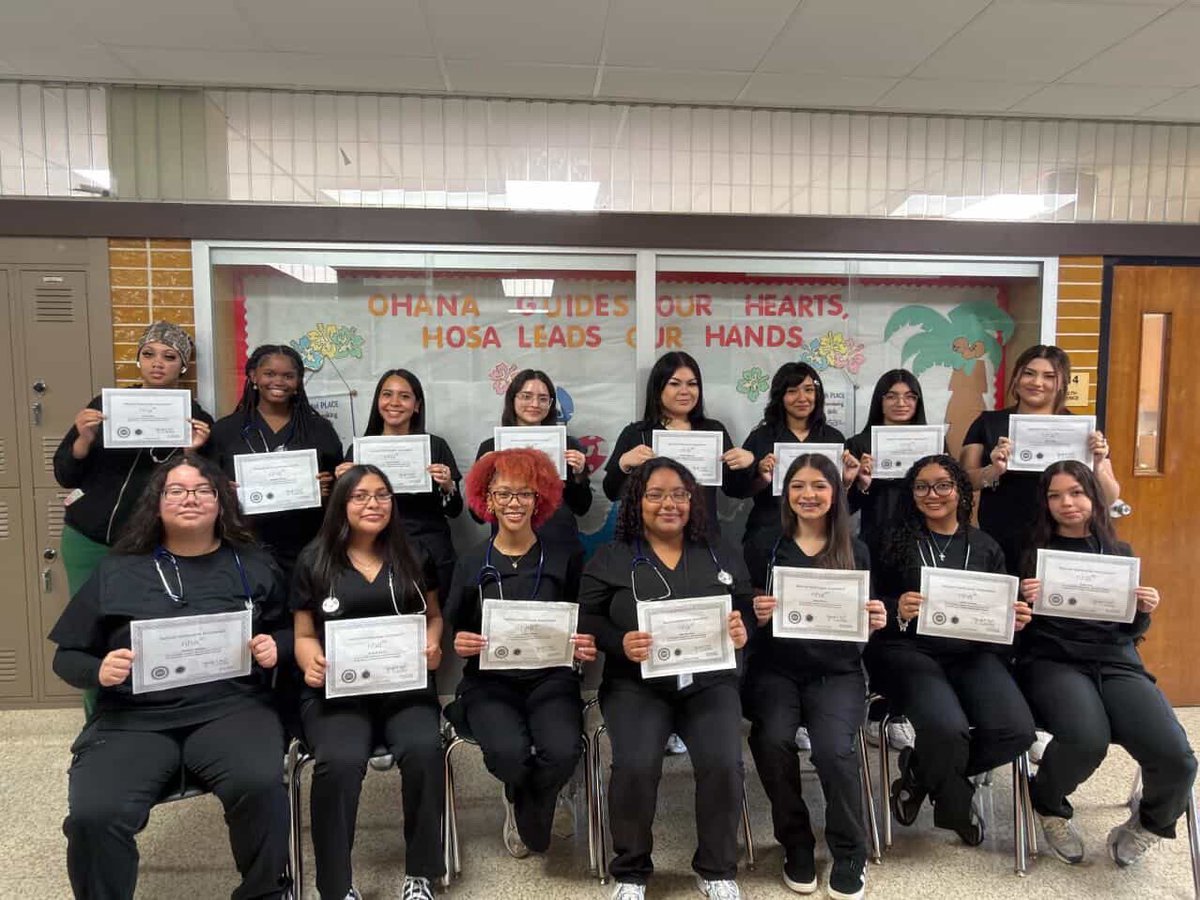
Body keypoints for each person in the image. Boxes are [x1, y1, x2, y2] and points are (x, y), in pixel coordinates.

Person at [47, 452, 291, 900]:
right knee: (94, 815)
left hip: (231, 710)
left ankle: (264, 893)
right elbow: (67, 657)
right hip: (132, 719)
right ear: (156, 503)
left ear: (221, 503)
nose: (190, 499)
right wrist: (99, 669)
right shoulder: (118, 570)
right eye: (175, 490)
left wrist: (278, 646)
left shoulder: (253, 564)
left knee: (260, 786)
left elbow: (291, 630)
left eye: (203, 490)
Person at [580, 457, 753, 900]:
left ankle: (715, 868)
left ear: (693, 501)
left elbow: (746, 604)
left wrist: (741, 627)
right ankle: (632, 871)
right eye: (655, 494)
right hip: (635, 685)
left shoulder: (719, 550)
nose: (669, 504)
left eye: (679, 494)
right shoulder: (612, 557)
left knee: (723, 763)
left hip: (709, 683)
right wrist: (620, 643)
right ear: (637, 503)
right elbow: (588, 619)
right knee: (635, 766)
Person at [1017, 461, 1197, 868]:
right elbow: (1014, 625)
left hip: (1115, 661)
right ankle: (1048, 806)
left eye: (1077, 492)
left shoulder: (1119, 553)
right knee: (1085, 740)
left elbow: (1129, 627)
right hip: (1053, 661)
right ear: (1045, 503)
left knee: (1177, 757)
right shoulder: (1028, 552)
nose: (1067, 503)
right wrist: (1024, 603)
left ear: (1094, 497)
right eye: (1056, 495)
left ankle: (1149, 824)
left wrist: (1143, 609)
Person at [291, 464, 445, 900]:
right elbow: (303, 634)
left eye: (381, 495)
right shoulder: (314, 560)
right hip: (339, 695)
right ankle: (337, 886)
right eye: (359, 496)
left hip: (405, 689)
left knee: (423, 751)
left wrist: (433, 646)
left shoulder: (415, 555)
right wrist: (310, 661)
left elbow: (433, 617)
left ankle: (420, 874)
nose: (372, 504)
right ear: (341, 504)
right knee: (338, 762)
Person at [865, 455, 1035, 845]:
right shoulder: (890, 540)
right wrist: (895, 608)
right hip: (906, 650)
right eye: (922, 486)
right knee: (946, 728)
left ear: (960, 490)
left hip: (971, 652)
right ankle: (957, 805)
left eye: (943, 484)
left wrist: (1012, 622)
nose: (933, 494)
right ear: (912, 494)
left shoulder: (986, 545)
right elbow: (866, 602)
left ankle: (919, 773)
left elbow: (998, 613)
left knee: (1016, 731)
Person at [743, 454, 886, 900]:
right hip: (775, 670)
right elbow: (738, 615)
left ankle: (849, 850)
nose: (809, 495)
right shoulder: (763, 545)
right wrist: (755, 612)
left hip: (836, 671)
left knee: (834, 751)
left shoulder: (854, 549)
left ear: (836, 493)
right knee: (771, 741)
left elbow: (864, 616)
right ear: (785, 494)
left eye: (820, 486)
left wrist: (875, 617)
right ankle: (797, 843)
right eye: (798, 486)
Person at [444, 448, 596, 858]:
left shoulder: (565, 557)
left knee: (564, 749)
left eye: (524, 494)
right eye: (504, 494)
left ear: (540, 499)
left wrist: (583, 642)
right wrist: (461, 641)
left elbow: (581, 618)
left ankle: (531, 805)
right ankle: (520, 796)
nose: (514, 503)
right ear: (487, 500)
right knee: (509, 754)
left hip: (551, 678)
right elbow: (455, 626)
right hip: (489, 683)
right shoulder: (472, 561)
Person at [55, 321, 213, 598]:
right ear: (138, 359)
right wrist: (83, 440)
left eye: (169, 357)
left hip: (152, 544)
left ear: (183, 365)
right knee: (84, 627)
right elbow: (65, 476)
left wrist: (191, 453)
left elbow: (207, 491)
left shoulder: (197, 420)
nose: (157, 364)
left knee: (137, 624)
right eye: (148, 354)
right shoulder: (105, 407)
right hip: (88, 537)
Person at [960, 345, 1119, 574]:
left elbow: (1110, 496)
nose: (1037, 382)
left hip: (1063, 539)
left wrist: (1098, 464)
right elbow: (964, 480)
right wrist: (992, 470)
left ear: (1063, 383)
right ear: (1016, 377)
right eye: (1029, 373)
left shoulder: (1082, 430)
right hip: (1002, 536)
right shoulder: (988, 423)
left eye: (1049, 376)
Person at [209, 344, 343, 582]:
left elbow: (342, 487)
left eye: (288, 376)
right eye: (269, 374)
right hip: (244, 546)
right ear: (253, 376)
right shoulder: (225, 430)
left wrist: (328, 488)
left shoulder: (319, 430)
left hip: (306, 548)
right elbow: (208, 486)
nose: (278, 382)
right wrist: (223, 492)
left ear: (298, 381)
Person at [335, 368, 462, 602]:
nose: (394, 402)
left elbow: (455, 510)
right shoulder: (359, 451)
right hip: (373, 549)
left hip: (430, 548)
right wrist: (340, 485)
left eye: (404, 396)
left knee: (435, 619)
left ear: (417, 406)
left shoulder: (435, 446)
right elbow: (341, 512)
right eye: (387, 395)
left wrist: (448, 486)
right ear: (378, 402)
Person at [603, 352, 755, 539]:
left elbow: (734, 489)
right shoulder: (636, 433)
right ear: (658, 389)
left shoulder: (713, 430)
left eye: (692, 384)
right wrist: (623, 464)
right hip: (648, 540)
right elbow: (611, 492)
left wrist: (747, 465)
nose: (685, 391)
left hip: (702, 539)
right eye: (674, 384)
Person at [735, 362, 863, 551]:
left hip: (821, 537)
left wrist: (846, 482)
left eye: (809, 390)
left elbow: (844, 506)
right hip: (768, 535)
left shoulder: (832, 438)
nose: (802, 398)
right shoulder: (761, 437)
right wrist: (761, 477)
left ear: (817, 395)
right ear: (780, 396)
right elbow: (737, 491)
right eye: (792, 391)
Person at [473, 369, 593, 552]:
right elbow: (478, 516)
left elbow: (582, 508)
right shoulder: (491, 447)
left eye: (543, 398)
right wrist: (481, 477)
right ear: (512, 399)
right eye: (526, 396)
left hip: (560, 542)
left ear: (551, 404)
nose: (535, 404)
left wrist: (579, 475)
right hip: (510, 544)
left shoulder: (568, 445)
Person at [844, 369, 937, 560]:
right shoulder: (859, 445)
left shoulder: (933, 442)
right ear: (880, 401)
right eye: (891, 396)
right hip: (875, 542)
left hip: (926, 539)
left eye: (910, 397)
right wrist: (862, 484)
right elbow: (846, 507)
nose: (901, 403)